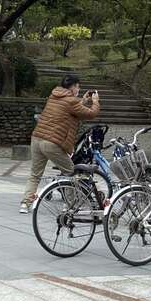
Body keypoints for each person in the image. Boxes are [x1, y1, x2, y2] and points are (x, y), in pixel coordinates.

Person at [20, 75, 100, 214]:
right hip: (51, 143)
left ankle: (25, 204)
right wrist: (95, 101)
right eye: (78, 87)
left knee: (35, 174)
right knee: (70, 171)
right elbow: (91, 113)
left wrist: (83, 100)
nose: (79, 89)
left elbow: (69, 107)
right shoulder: (71, 102)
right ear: (73, 87)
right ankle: (70, 205)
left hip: (37, 138)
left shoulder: (54, 96)